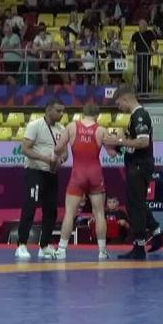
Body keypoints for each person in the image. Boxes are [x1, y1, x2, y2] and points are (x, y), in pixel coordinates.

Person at [103, 86, 163, 260]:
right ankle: (157, 234)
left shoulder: (140, 115)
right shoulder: (134, 117)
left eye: (118, 104)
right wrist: (116, 146)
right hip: (136, 164)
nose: (119, 108)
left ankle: (139, 246)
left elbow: (143, 142)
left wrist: (119, 140)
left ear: (125, 98)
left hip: (139, 166)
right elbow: (132, 145)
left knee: (134, 206)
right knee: (137, 202)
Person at [51, 103, 113, 260]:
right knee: (99, 213)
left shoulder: (71, 127)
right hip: (95, 174)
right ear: (97, 115)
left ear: (83, 113)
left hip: (78, 174)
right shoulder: (101, 130)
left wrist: (59, 155)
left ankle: (61, 250)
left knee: (69, 213)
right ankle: (102, 251)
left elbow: (57, 149)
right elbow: (112, 154)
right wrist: (118, 142)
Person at [15, 100, 67, 261]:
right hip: (35, 172)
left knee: (51, 210)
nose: (61, 114)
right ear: (48, 109)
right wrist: (45, 159)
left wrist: (60, 161)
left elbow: (65, 153)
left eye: (63, 111)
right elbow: (25, 149)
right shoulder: (35, 125)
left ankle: (44, 246)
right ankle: (21, 245)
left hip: (52, 173)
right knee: (30, 206)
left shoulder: (62, 129)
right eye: (58, 111)